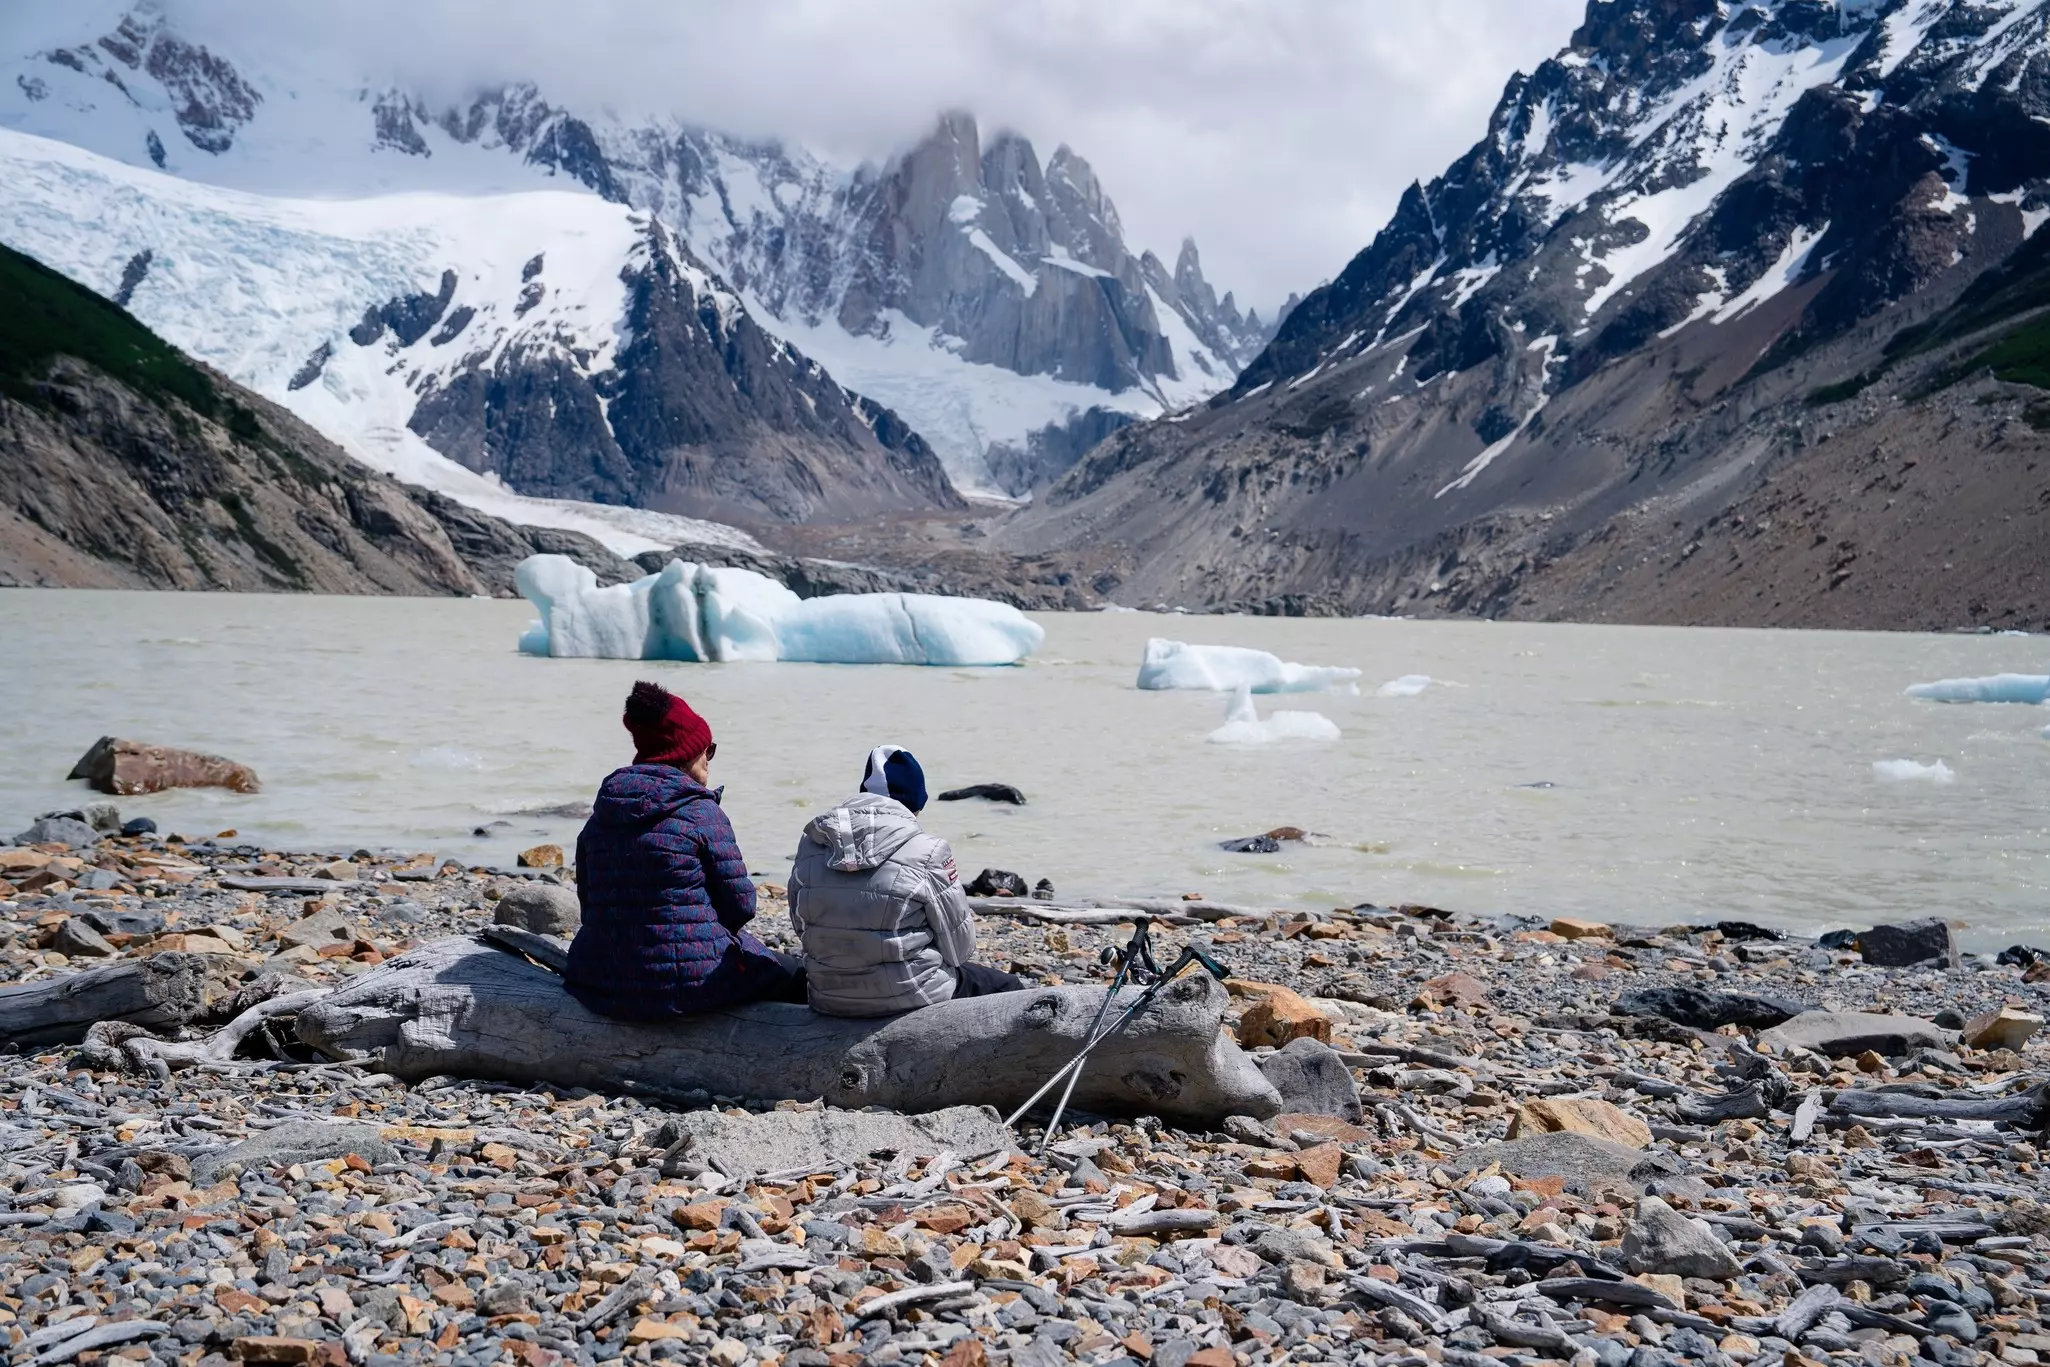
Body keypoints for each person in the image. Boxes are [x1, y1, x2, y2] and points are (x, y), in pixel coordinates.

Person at [563, 681, 805, 1019]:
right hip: (687, 986)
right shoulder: (701, 812)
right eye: (707, 749)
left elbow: (589, 902)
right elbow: (741, 906)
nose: (709, 759)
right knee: (795, 975)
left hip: (599, 980)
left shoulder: (602, 814)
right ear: (686, 753)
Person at [787, 745, 1026, 1017]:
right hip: (910, 995)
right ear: (916, 801)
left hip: (827, 995)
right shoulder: (929, 851)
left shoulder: (813, 842)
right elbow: (959, 950)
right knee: (1009, 988)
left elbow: (801, 927)